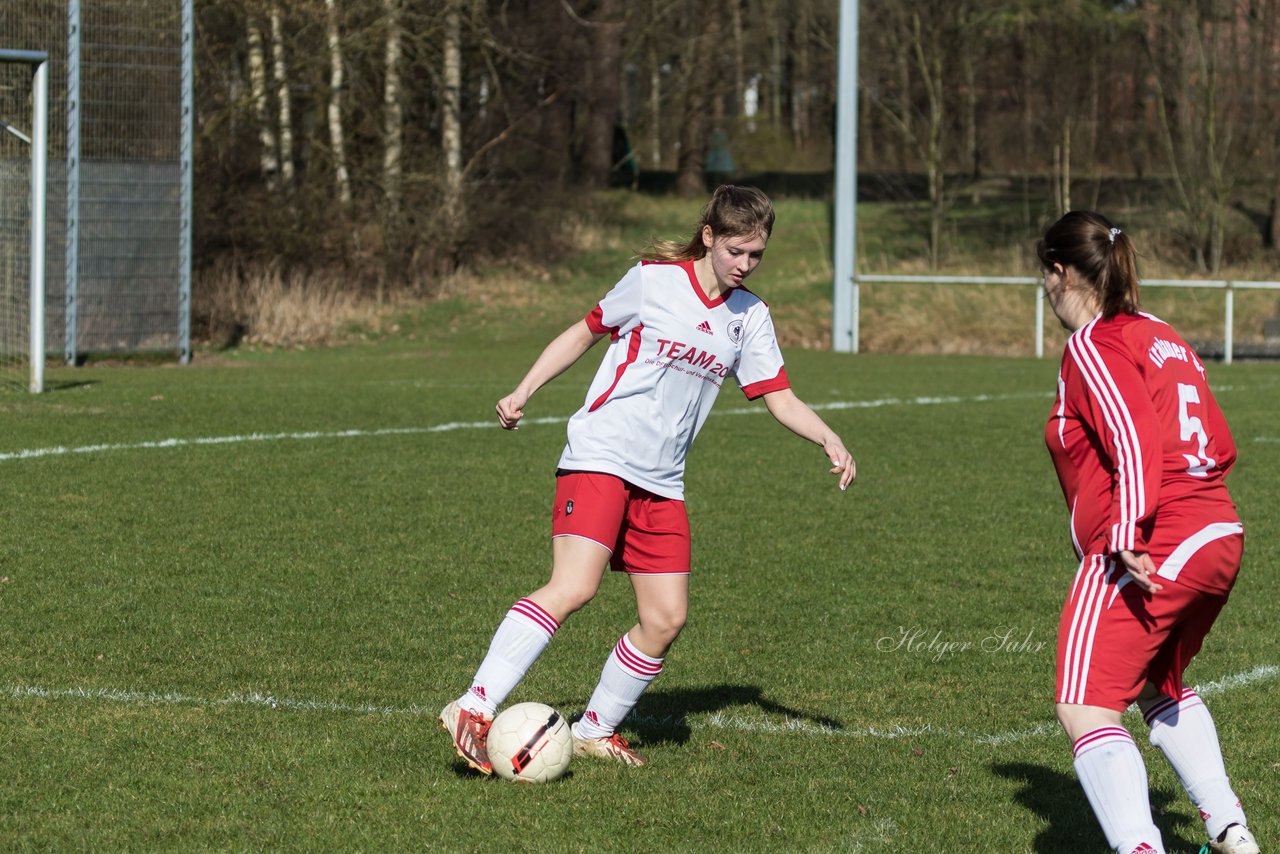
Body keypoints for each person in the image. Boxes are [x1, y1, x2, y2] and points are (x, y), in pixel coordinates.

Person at [440, 185, 856, 772]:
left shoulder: (750, 317)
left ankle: (594, 729)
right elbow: (583, 332)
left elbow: (778, 396)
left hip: (663, 480)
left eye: (756, 254)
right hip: (602, 455)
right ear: (709, 238)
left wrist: (828, 437)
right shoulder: (652, 280)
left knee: (665, 618)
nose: (745, 264)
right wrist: (524, 389)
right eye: (736, 250)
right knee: (574, 587)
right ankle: (473, 705)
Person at [1037, 211, 1259, 854]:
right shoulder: (1160, 334)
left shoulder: (1094, 343)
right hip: (1215, 530)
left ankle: (1140, 847)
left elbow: (1136, 440)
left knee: (1084, 704)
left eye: (1044, 276)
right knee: (1156, 684)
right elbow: (1216, 440)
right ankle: (1230, 829)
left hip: (1156, 535)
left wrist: (1128, 529)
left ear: (1059, 272)